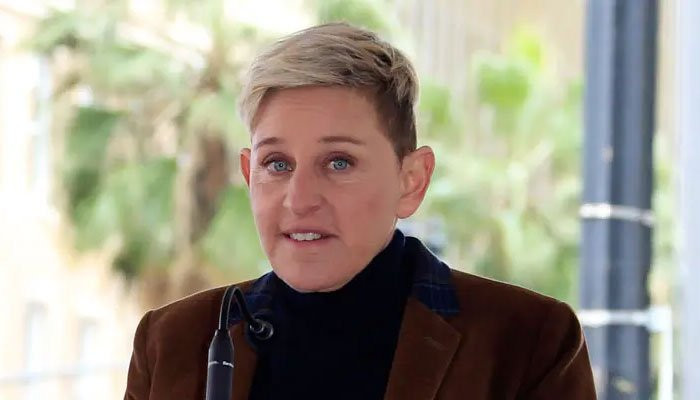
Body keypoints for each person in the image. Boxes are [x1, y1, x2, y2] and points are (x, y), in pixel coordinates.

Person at [124, 22, 596, 400]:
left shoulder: (528, 343)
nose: (299, 199)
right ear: (250, 175)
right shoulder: (172, 343)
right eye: (277, 164)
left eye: (338, 162)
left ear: (412, 181)